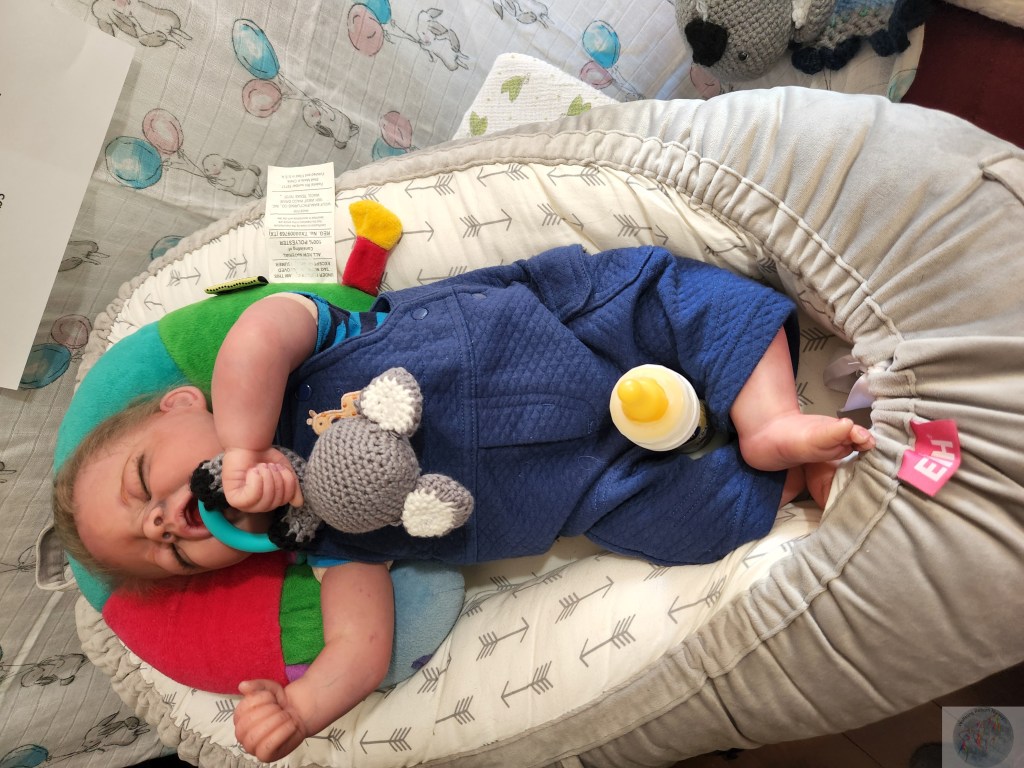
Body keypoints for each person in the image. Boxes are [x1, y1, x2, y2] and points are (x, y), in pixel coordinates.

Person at [53, 244, 874, 761]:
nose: (163, 519)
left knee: (678, 294)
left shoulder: (297, 359)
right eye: (168, 549)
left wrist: (241, 444)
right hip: (590, 480)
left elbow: (259, 329)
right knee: (691, 525)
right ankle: (789, 473)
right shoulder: (330, 542)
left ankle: (769, 417)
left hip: (564, 329)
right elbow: (360, 649)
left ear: (182, 405)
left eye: (142, 482)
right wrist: (301, 707)